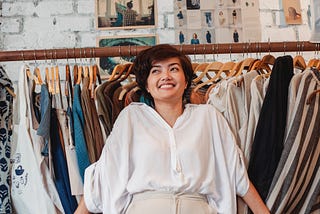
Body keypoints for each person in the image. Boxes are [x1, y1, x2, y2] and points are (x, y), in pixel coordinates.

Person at [74, 44, 270, 214]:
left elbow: (238, 176)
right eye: (156, 71)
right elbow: (103, 177)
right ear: (147, 86)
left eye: (173, 69)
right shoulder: (131, 118)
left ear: (185, 81)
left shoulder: (209, 117)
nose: (165, 76)